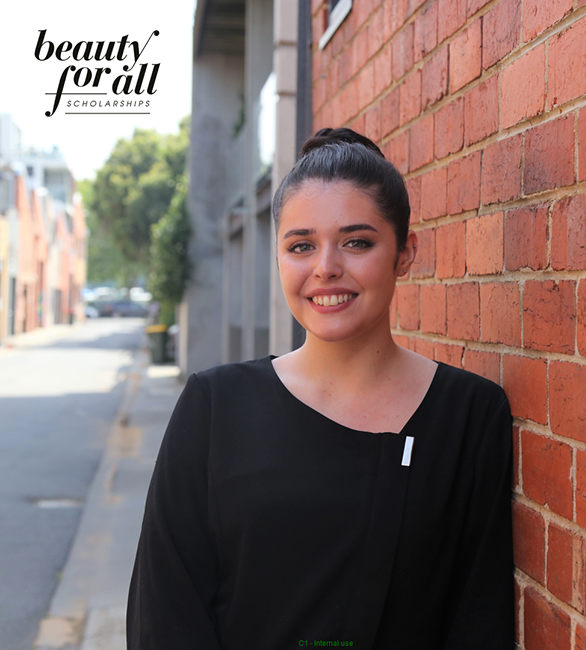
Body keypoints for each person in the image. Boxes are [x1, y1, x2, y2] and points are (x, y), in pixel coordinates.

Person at [126, 128, 515, 649]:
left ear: (404, 253)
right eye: (301, 245)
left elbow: (479, 621)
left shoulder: (468, 414)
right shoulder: (216, 408)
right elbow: (164, 612)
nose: (326, 268)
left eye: (357, 242)